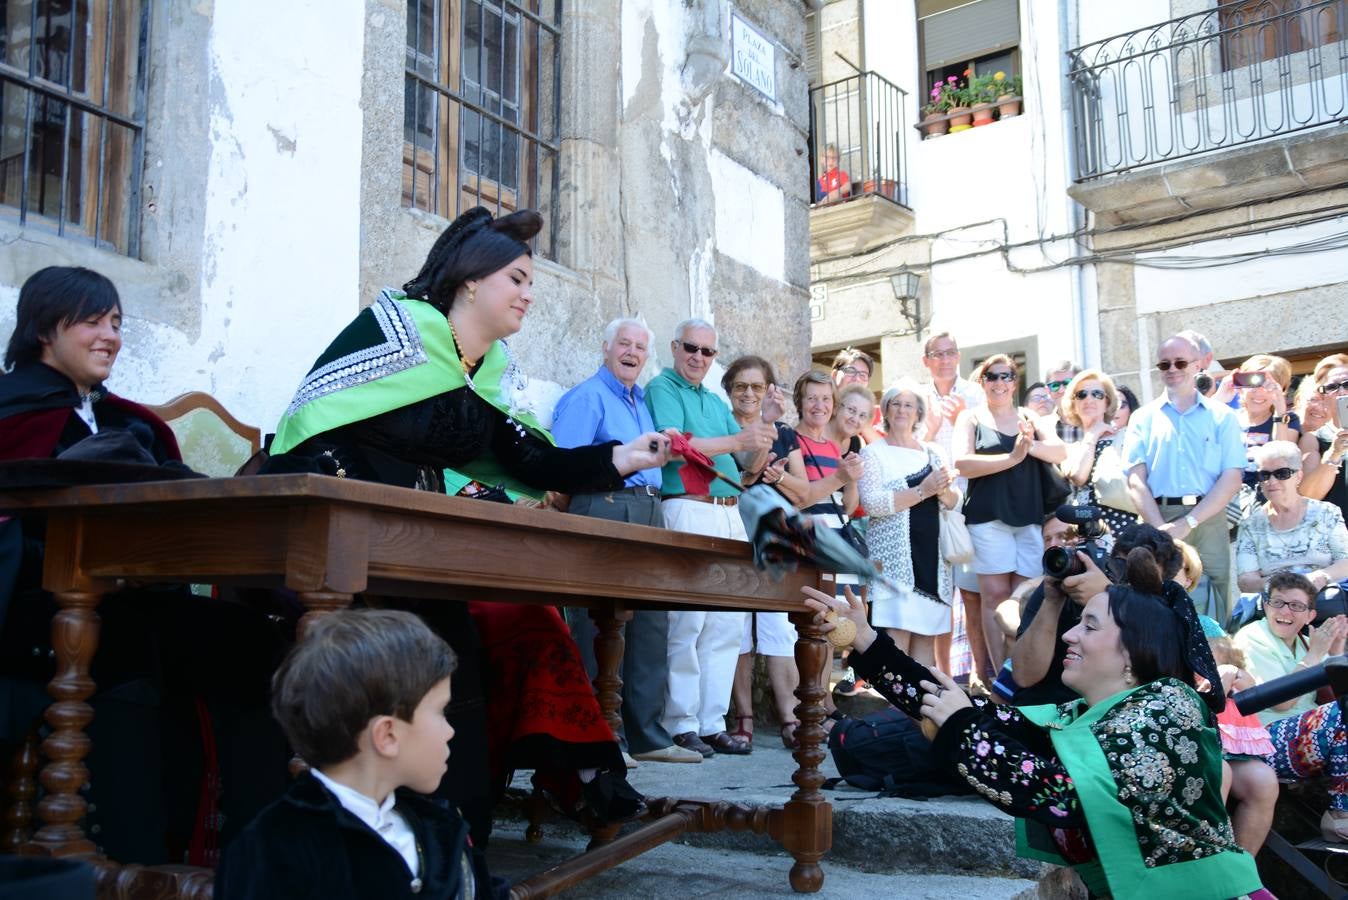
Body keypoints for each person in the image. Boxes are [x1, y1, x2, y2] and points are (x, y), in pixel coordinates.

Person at [266, 207, 665, 845]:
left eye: (531, 281)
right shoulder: (399, 330)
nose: (529, 294)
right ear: (471, 282)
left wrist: (626, 456)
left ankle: (459, 848)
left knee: (463, 672)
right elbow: (306, 426)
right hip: (324, 551)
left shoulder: (482, 370)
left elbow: (527, 457)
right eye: (517, 278)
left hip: (408, 558)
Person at [0, 266, 286, 864]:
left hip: (134, 599)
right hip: (34, 607)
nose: (110, 335)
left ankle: (251, 856)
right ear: (43, 329)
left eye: (116, 323)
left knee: (260, 646)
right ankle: (131, 855)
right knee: (124, 641)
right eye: (92, 321)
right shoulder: (10, 416)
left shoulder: (131, 423)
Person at [804, 546, 1266, 900]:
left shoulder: (1169, 706)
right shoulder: (1088, 715)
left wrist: (962, 728)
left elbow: (1061, 796)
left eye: (1088, 625)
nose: (1069, 634)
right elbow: (967, 711)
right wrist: (864, 640)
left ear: (1132, 650)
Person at [215, 609, 498, 899]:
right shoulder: (277, 848)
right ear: (387, 735)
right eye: (441, 712)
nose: (450, 731)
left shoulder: (438, 829)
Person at [550, 317, 700, 765]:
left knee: (651, 621)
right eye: (624, 343)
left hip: (650, 508)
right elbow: (562, 468)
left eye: (639, 346)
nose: (632, 351)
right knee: (598, 619)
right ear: (606, 347)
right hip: (605, 506)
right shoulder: (587, 397)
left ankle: (646, 736)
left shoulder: (641, 403)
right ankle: (597, 734)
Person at [645, 319, 775, 758]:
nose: (698, 357)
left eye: (707, 352)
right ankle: (680, 722)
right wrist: (742, 436)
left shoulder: (716, 400)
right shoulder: (662, 386)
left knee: (725, 622)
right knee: (688, 619)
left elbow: (745, 466)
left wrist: (764, 432)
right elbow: (678, 444)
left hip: (728, 510)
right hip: (686, 504)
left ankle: (711, 721)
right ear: (675, 346)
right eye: (691, 348)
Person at [954, 353, 1066, 680]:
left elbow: (1059, 452)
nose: (999, 382)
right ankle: (1001, 675)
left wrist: (1027, 448)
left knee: (1026, 598)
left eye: (1006, 376)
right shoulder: (971, 417)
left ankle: (1024, 672)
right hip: (987, 517)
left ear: (1014, 383)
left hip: (1029, 517)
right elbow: (962, 463)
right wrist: (1012, 456)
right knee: (994, 598)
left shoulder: (1029, 416)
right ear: (982, 381)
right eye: (992, 376)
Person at [1122, 333, 1245, 621]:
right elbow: (1135, 480)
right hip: (1157, 515)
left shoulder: (1222, 416)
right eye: (1165, 365)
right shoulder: (1143, 418)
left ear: (1198, 364)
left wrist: (1189, 522)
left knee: (1216, 594)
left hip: (1208, 516)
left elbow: (1232, 477)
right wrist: (1161, 528)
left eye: (1179, 362)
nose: (1173, 369)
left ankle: (1217, 661)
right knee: (1156, 597)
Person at [720, 355, 802, 750]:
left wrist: (781, 476)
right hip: (731, 532)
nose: (749, 393)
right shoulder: (721, 428)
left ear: (769, 390)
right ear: (729, 392)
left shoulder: (785, 433)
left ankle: (790, 716)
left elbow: (803, 489)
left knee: (778, 629)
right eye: (741, 386)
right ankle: (744, 719)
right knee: (737, 629)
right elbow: (738, 476)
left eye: (757, 386)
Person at [1009, 523, 1181, 708]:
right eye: (1122, 568)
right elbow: (1024, 676)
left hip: (1117, 721)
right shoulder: (1067, 583)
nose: (1070, 637)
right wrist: (1052, 601)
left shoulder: (1168, 617)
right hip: (1041, 713)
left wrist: (1109, 599)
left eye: (1142, 577)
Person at [1232, 572, 1348, 842]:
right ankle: (1341, 815)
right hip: (1263, 741)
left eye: (1296, 606)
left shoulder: (1305, 642)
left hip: (1304, 740)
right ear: (1266, 606)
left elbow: (1331, 700)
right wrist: (1316, 655)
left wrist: (1335, 651)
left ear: (1310, 615)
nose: (1286, 611)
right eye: (1278, 603)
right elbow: (1281, 701)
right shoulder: (1252, 637)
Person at [858, 382, 959, 670]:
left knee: (926, 643)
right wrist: (923, 490)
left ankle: (919, 714)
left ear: (918, 413)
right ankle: (894, 710)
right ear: (886, 411)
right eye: (895, 404)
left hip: (933, 561)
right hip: (894, 565)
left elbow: (953, 502)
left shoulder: (934, 452)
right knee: (895, 640)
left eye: (909, 405)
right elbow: (873, 503)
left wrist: (943, 491)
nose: (902, 410)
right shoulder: (873, 453)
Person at [790, 371, 865, 705]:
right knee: (814, 626)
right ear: (800, 402)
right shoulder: (791, 439)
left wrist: (850, 479)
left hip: (836, 539)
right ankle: (815, 705)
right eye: (811, 398)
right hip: (809, 541)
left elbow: (848, 507)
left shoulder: (832, 446)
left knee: (832, 625)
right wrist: (840, 476)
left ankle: (824, 702)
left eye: (825, 399)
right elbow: (801, 497)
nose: (819, 406)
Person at [920, 332, 987, 681]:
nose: (945, 359)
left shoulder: (975, 394)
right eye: (938, 354)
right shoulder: (916, 398)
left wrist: (964, 417)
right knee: (939, 594)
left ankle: (979, 672)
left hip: (971, 501)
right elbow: (911, 449)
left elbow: (990, 442)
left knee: (973, 594)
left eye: (951, 353)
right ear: (926, 361)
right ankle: (943, 675)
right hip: (932, 504)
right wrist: (929, 429)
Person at [1234, 441, 1348, 595]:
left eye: (1282, 473)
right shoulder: (1251, 525)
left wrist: (1320, 577)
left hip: (1324, 597)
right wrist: (1281, 585)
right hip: (1275, 601)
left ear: (1299, 476)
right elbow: (1246, 581)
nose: (1271, 481)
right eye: (1264, 475)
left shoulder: (1327, 512)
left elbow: (1345, 562)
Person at [1203, 628, 1278, 856]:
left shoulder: (1236, 674)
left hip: (1233, 750)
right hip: (1204, 745)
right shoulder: (1188, 677)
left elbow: (1251, 685)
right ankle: (1208, 861)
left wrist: (1233, 672)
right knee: (1219, 773)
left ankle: (1243, 870)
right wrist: (1218, 680)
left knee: (1264, 780)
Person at [1059, 368, 1135, 536]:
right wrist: (1092, 435)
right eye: (1081, 394)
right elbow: (1079, 476)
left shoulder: (1125, 439)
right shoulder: (1072, 448)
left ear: (1107, 402)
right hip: (1084, 532)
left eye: (1097, 394)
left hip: (1122, 530)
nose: (1089, 399)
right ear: (1073, 404)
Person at [1297, 353, 1348, 523]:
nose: (1341, 391)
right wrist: (1334, 453)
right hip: (1337, 539)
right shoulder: (1313, 440)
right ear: (1323, 394)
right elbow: (1308, 497)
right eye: (1332, 387)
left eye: (1347, 384)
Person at [830, 347, 880, 443]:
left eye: (863, 375)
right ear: (834, 375)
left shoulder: (874, 414)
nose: (856, 378)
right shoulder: (822, 407)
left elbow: (882, 452)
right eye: (850, 371)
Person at [1042, 359, 1082, 442]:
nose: (1061, 390)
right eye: (1055, 385)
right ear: (1048, 391)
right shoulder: (1042, 427)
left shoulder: (1096, 421)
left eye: (1067, 383)